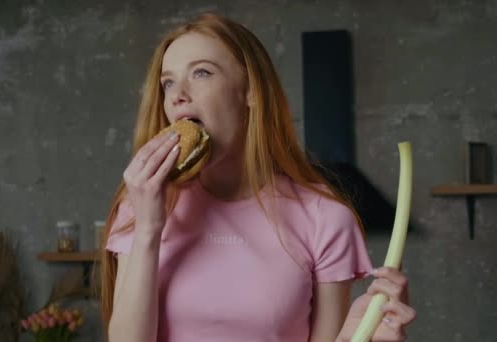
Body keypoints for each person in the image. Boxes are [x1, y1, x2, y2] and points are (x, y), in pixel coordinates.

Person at [99, 12, 416, 342]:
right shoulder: (141, 203)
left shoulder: (325, 218)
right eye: (168, 82)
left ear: (251, 91)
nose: (178, 94)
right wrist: (149, 227)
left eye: (201, 73)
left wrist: (363, 336)